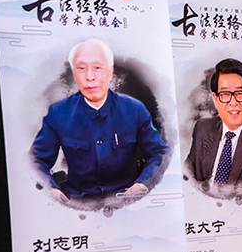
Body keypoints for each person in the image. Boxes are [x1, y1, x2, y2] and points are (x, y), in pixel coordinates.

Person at [31, 38, 167, 203]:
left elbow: (159, 153)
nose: (90, 77)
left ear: (110, 71)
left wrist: (142, 184)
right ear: (74, 72)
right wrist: (51, 189)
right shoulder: (58, 113)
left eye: (97, 68)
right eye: (81, 68)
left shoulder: (135, 110)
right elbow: (36, 160)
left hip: (126, 201)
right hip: (77, 201)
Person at [185, 58, 242, 191]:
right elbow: (188, 168)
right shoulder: (202, 128)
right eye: (225, 94)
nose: (233, 102)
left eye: (240, 93)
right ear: (215, 99)